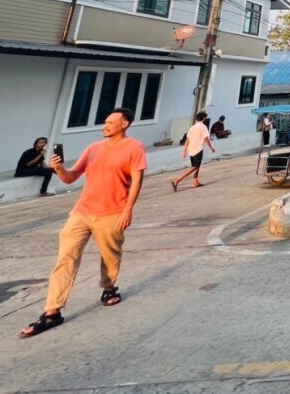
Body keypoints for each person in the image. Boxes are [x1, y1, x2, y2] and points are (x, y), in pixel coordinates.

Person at [19, 107, 146, 338]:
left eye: (110, 122)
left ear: (125, 124)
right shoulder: (93, 148)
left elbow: (137, 180)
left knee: (110, 256)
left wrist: (128, 210)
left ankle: (108, 288)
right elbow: (70, 178)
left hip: (112, 212)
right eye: (105, 122)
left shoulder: (134, 148)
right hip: (82, 212)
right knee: (65, 258)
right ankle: (52, 311)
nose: (105, 126)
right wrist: (59, 168)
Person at [171, 111, 214, 191]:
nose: (205, 119)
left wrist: (184, 150)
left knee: (196, 165)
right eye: (205, 117)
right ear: (203, 118)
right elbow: (205, 139)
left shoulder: (192, 127)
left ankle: (195, 181)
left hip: (191, 150)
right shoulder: (203, 127)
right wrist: (211, 148)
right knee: (195, 167)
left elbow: (187, 140)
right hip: (198, 149)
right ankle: (177, 180)